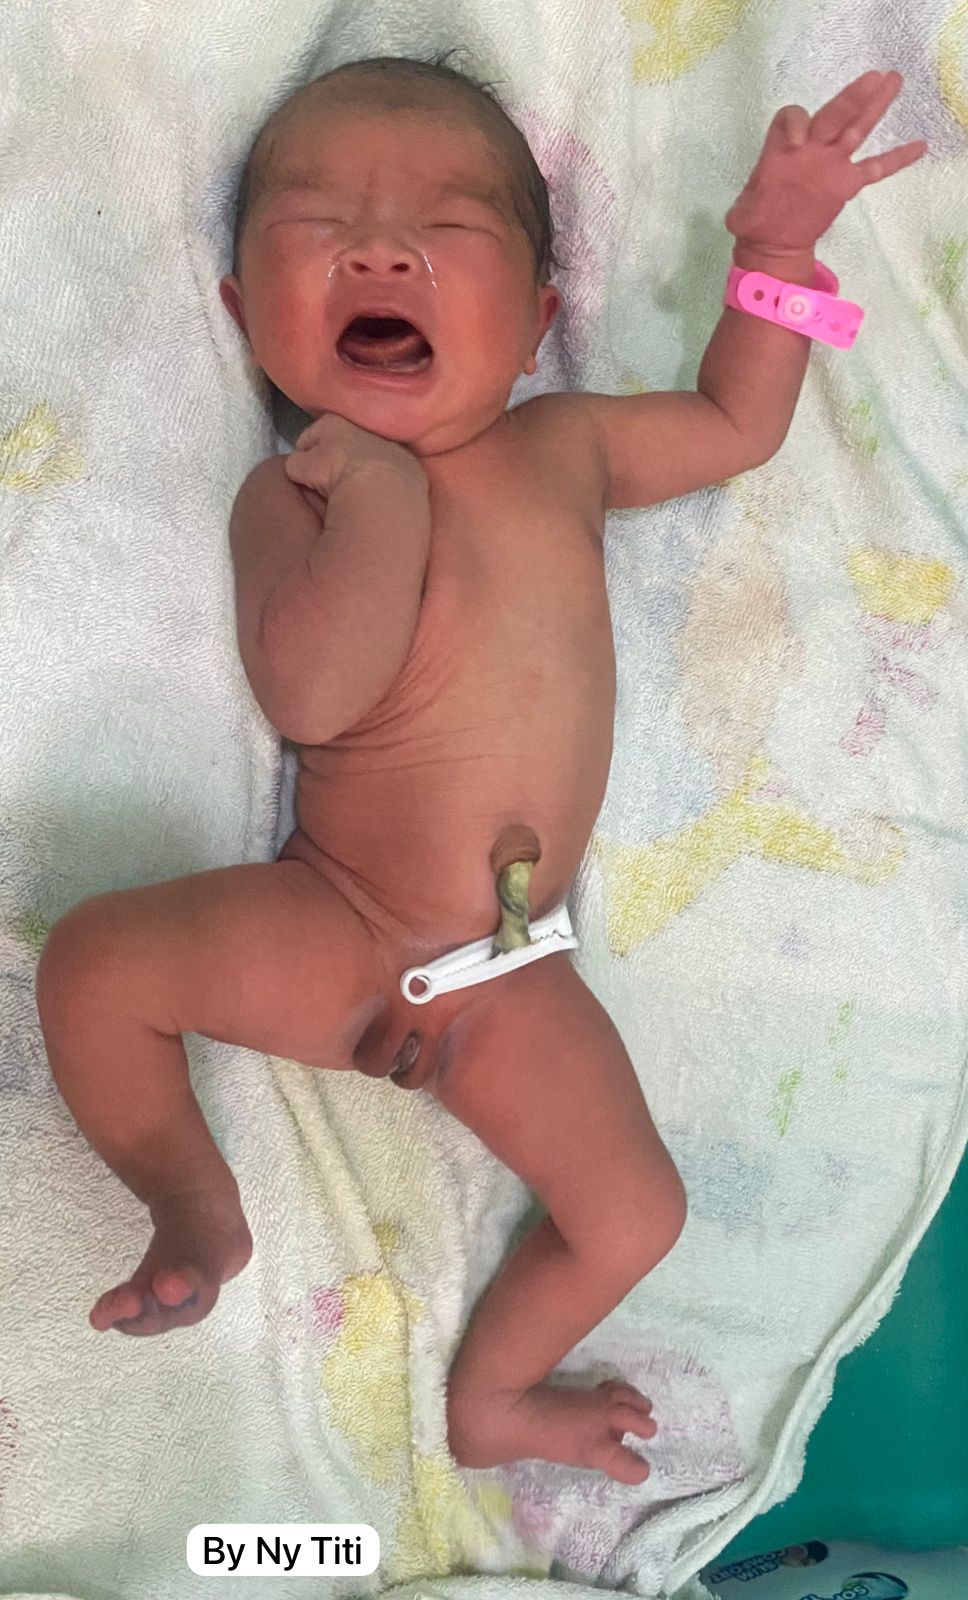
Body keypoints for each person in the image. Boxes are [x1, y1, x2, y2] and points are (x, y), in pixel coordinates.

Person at [35, 53, 926, 1481]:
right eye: (319, 221)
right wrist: (378, 502)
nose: (382, 249)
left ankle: (493, 1400)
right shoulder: (294, 493)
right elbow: (312, 692)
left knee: (633, 1216)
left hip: (511, 978)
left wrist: (775, 254)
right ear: (242, 315)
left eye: (447, 226)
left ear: (537, 326)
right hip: (337, 918)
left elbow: (737, 426)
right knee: (95, 965)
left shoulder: (565, 445)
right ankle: (191, 1199)